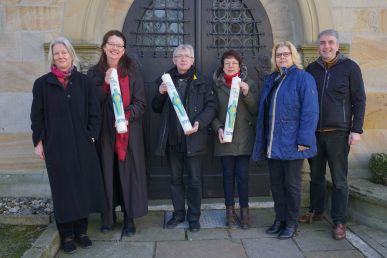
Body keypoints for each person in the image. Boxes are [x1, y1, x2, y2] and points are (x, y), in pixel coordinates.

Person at [30, 37, 105, 253]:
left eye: (64, 52)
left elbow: (95, 112)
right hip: (56, 145)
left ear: (71, 54)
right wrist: (39, 141)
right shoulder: (42, 84)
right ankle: (67, 235)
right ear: (52, 57)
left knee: (82, 186)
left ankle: (82, 231)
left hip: (83, 144)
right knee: (63, 189)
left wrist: (91, 135)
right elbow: (37, 116)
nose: (61, 56)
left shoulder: (84, 81)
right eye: (56, 53)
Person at [298, 29, 366, 240]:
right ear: (318, 46)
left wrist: (356, 129)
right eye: (322, 43)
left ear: (338, 46)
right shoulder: (312, 69)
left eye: (330, 42)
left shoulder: (350, 68)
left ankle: (339, 221)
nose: (326, 46)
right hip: (314, 133)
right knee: (316, 176)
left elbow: (359, 100)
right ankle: (317, 211)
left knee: (339, 179)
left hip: (339, 132)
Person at [252, 41, 319, 239]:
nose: (282, 57)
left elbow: (310, 111)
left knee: (292, 185)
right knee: (276, 184)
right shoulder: (272, 78)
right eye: (278, 54)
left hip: (293, 143)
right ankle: (279, 219)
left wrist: (304, 140)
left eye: (286, 54)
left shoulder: (303, 78)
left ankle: (291, 223)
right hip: (273, 142)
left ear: (293, 56)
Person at [87, 30, 148, 237]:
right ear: (104, 46)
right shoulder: (94, 73)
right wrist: (105, 83)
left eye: (119, 45)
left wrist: (125, 116)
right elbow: (91, 103)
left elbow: (141, 103)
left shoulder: (133, 72)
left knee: (128, 175)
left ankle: (129, 219)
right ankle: (108, 217)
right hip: (104, 133)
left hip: (129, 133)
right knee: (107, 173)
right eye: (111, 44)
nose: (115, 48)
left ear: (124, 50)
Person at [152, 44, 217, 232]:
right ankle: (179, 214)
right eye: (179, 56)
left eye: (187, 56)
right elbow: (155, 107)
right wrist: (160, 93)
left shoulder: (203, 81)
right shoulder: (164, 80)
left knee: (195, 181)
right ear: (174, 60)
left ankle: (194, 217)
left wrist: (200, 123)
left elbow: (211, 107)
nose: (183, 59)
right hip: (173, 140)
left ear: (193, 60)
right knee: (175, 180)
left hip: (194, 140)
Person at [211, 50, 259, 229]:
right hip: (224, 139)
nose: (230, 66)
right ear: (222, 66)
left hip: (244, 138)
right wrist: (218, 128)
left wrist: (247, 94)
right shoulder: (216, 86)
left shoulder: (250, 84)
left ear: (240, 66)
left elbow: (255, 111)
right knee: (227, 177)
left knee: (242, 177)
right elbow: (211, 111)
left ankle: (245, 213)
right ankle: (230, 213)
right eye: (227, 63)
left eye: (234, 63)